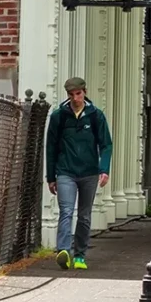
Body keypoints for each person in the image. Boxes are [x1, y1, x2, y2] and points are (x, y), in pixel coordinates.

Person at [46, 77, 112, 270]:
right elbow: (51, 147)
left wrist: (104, 169)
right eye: (71, 94)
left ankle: (80, 255)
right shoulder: (59, 116)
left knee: (84, 215)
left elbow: (106, 144)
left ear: (84, 92)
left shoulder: (95, 116)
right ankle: (63, 251)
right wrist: (51, 177)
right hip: (65, 171)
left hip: (89, 172)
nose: (75, 98)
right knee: (66, 211)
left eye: (78, 93)